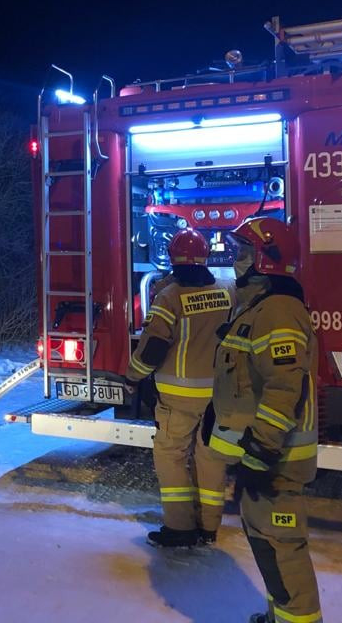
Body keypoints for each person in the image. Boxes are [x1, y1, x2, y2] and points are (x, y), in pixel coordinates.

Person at [205, 217, 322, 623]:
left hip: (278, 461)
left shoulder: (278, 312)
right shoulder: (260, 307)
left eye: (243, 254)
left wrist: (262, 448)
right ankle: (279, 616)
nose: (235, 261)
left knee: (282, 549)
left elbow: (283, 388)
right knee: (269, 544)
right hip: (267, 457)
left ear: (266, 261)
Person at [127, 228, 233, 548]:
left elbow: (153, 347)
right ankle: (209, 527)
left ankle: (180, 528)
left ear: (173, 259)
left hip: (178, 396)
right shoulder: (227, 292)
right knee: (211, 459)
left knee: (171, 457)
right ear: (205, 257)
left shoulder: (169, 297)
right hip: (217, 396)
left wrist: (133, 376)